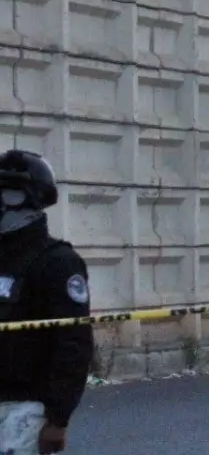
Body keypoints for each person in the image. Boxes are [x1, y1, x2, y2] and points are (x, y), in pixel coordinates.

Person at [0, 150, 94, 455]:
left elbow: (74, 344)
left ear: (19, 199)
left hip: (25, 410)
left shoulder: (58, 263)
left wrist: (58, 417)